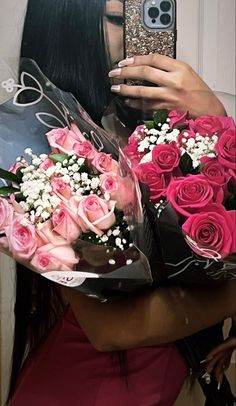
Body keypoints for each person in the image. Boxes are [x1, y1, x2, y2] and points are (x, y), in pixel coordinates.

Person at [6, 0, 235, 405]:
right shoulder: (50, 148)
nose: (137, 36)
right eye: (118, 19)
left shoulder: (147, 130)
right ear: (68, 27)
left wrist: (214, 122)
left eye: (145, 15)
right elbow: (112, 329)